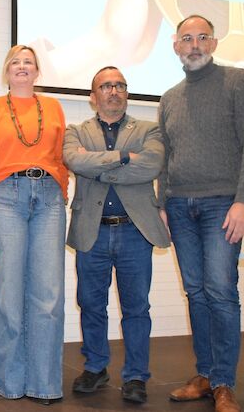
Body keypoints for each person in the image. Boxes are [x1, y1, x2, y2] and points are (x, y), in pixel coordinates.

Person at [158, 14, 244, 412]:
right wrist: (162, 205)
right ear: (176, 46)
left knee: (221, 292)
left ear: (214, 43)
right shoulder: (169, 98)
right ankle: (204, 375)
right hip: (179, 206)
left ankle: (223, 383)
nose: (195, 45)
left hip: (223, 203)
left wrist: (243, 201)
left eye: (202, 37)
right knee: (197, 292)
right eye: (187, 38)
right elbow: (165, 157)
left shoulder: (237, 81)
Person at [0, 45, 69, 404]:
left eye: (28, 62)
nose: (22, 67)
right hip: (4, 198)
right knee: (10, 296)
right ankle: (11, 382)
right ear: (7, 71)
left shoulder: (53, 107)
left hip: (49, 198)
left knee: (49, 296)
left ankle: (45, 383)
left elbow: (60, 156)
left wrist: (61, 189)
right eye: (16, 62)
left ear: (37, 71)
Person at [63, 66, 169, 403]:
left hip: (134, 231)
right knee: (91, 304)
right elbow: (74, 161)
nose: (114, 91)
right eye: (106, 86)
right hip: (91, 230)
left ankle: (136, 376)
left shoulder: (150, 130)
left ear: (127, 92)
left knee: (136, 307)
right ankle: (96, 367)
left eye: (120, 85)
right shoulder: (75, 131)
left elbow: (152, 165)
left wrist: (98, 166)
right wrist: (124, 158)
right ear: (93, 97)